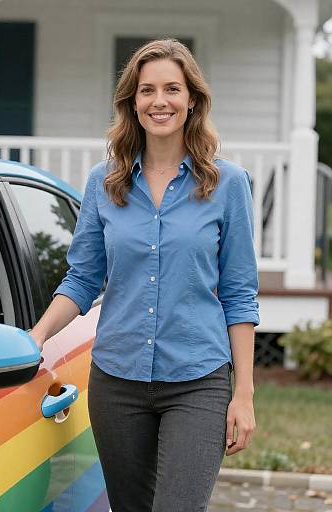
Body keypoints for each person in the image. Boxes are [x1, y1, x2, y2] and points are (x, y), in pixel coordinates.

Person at [29, 38, 259, 512]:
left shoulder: (227, 184)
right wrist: (37, 335)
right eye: (147, 90)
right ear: (132, 103)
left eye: (172, 89)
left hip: (197, 380)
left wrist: (244, 394)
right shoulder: (105, 182)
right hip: (117, 381)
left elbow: (239, 294)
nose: (160, 101)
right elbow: (82, 279)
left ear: (191, 98)